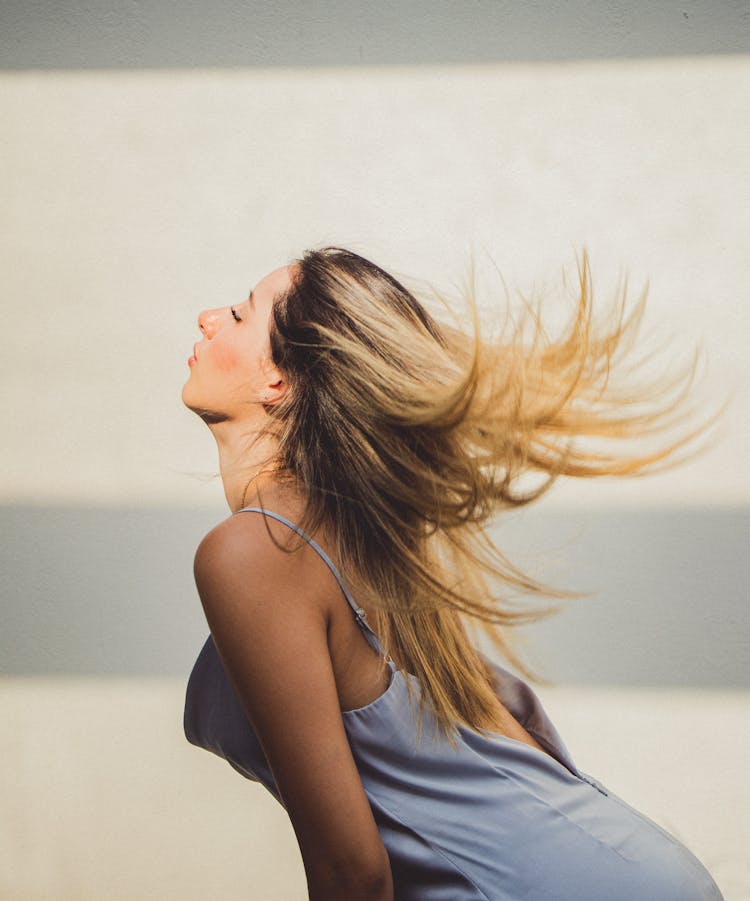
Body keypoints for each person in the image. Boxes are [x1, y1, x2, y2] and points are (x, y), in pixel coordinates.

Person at [181, 246, 725, 900]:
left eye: (240, 315)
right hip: (625, 868)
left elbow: (352, 871)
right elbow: (509, 724)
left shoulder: (254, 551)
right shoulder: (348, 534)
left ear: (279, 381)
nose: (209, 318)